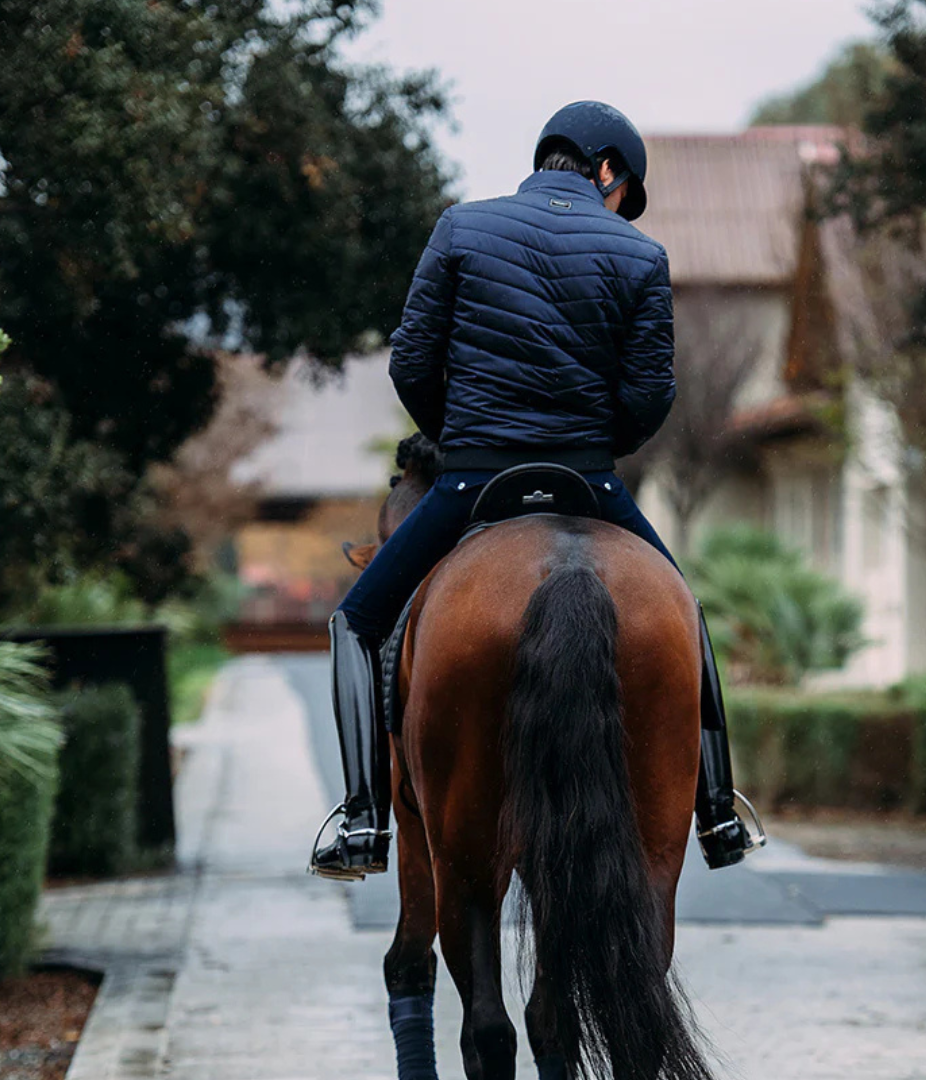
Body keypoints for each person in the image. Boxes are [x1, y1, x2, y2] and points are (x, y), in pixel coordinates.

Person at [310, 100, 756, 880]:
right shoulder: (641, 255)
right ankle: (717, 811)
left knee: (355, 621)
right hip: (589, 479)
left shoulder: (460, 227)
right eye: (624, 190)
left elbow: (411, 361)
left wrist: (462, 442)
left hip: (469, 479)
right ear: (608, 170)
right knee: (684, 613)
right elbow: (650, 396)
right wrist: (592, 449)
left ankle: (361, 822)